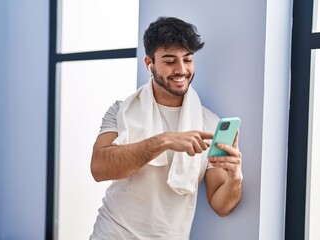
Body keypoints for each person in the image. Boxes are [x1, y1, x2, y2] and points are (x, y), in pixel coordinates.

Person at [90, 16, 243, 240]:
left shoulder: (209, 123)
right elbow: (99, 168)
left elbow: (221, 206)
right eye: (170, 61)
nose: (181, 70)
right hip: (112, 233)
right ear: (148, 63)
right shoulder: (120, 111)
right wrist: (164, 141)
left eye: (188, 60)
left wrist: (235, 178)